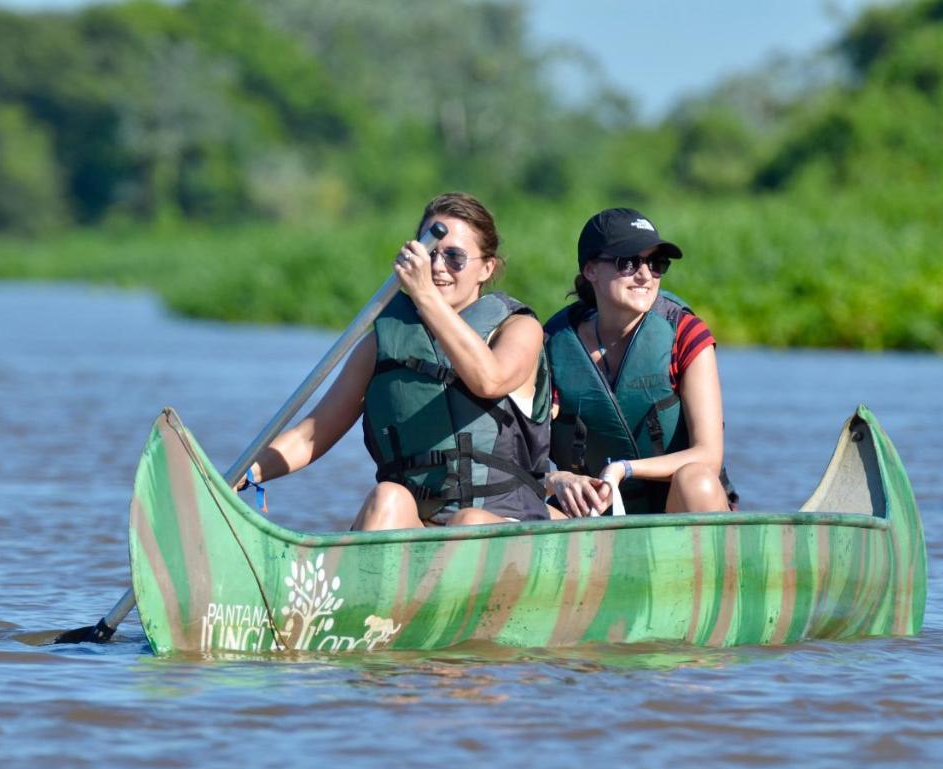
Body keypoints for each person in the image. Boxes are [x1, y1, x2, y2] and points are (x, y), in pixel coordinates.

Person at [234, 192, 552, 530]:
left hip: (503, 519)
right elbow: (312, 435)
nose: (439, 267)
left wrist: (425, 295)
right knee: (387, 496)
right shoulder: (380, 345)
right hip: (419, 524)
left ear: (486, 268)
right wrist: (245, 474)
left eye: (455, 257)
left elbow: (489, 380)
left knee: (468, 521)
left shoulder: (518, 329)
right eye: (431, 253)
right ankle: (367, 578)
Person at [542, 207, 737, 517]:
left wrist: (623, 470)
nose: (645, 275)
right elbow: (520, 460)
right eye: (628, 262)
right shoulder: (551, 346)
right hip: (593, 513)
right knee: (527, 510)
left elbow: (708, 456)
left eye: (656, 263)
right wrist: (556, 479)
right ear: (591, 270)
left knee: (697, 479)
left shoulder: (686, 334)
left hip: (678, 507)